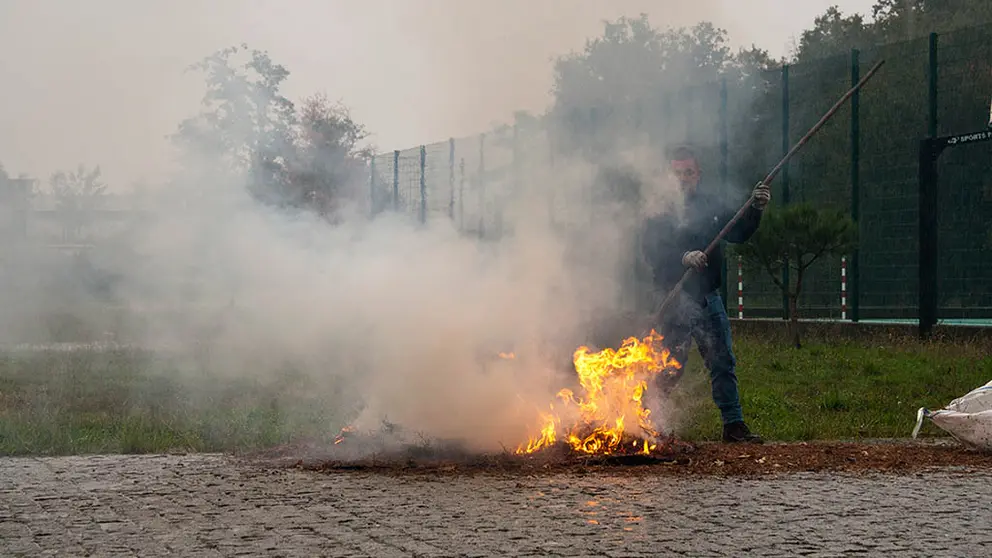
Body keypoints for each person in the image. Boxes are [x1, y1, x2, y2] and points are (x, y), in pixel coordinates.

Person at [639, 145, 771, 444]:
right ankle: (648, 424)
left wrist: (756, 209)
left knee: (722, 361)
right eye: (677, 173)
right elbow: (651, 251)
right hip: (674, 299)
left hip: (709, 298)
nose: (683, 178)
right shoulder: (658, 211)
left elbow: (739, 232)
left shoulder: (712, 207)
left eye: (689, 172)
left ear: (698, 175)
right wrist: (684, 257)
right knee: (670, 367)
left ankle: (733, 425)